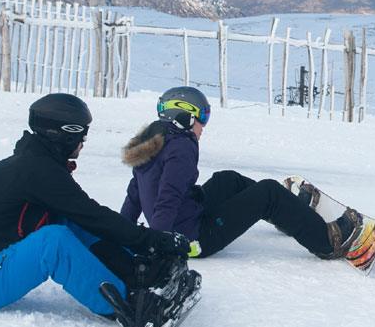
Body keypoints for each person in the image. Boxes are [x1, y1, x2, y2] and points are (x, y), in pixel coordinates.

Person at [0, 93, 195, 327]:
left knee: (66, 220)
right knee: (54, 241)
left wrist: (140, 249)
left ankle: (134, 273)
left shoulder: (35, 164)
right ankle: (130, 306)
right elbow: (92, 214)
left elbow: (85, 217)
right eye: (81, 134)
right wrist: (152, 238)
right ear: (64, 134)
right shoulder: (37, 171)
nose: (84, 142)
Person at [119, 86, 358, 260]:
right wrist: (161, 244)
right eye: (203, 118)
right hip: (194, 238)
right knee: (269, 193)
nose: (204, 126)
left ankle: (289, 214)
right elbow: (168, 197)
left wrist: (123, 234)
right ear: (185, 115)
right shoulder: (181, 147)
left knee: (227, 180)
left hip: (186, 217)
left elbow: (134, 196)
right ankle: (328, 242)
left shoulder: (151, 141)